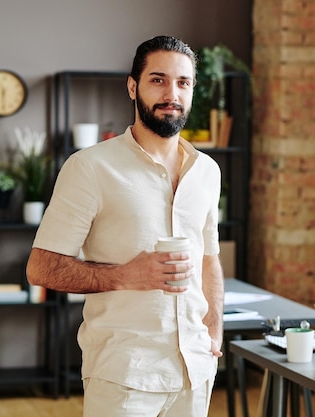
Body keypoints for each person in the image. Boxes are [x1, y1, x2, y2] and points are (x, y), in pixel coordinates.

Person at [26, 36, 224, 416]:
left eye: (183, 82)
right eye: (158, 80)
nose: (172, 93)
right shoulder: (90, 167)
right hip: (124, 374)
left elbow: (209, 258)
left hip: (195, 372)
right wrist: (126, 275)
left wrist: (213, 325)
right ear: (133, 87)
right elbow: (40, 267)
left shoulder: (207, 172)